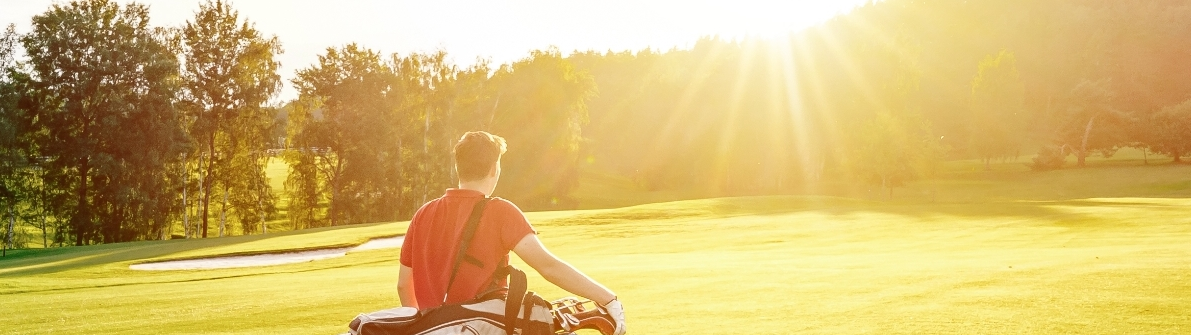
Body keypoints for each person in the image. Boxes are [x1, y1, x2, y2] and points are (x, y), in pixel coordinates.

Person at [398, 131, 626, 335]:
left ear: (458, 167)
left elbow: (403, 285)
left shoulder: (423, 214)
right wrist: (608, 298)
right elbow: (547, 266)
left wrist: (427, 327)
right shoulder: (499, 211)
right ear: (495, 169)